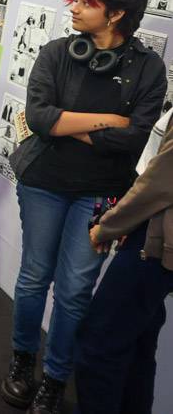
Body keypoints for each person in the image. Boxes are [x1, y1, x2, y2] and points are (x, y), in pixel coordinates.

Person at [3, 0, 165, 414]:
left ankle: (56, 377)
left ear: (115, 15)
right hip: (43, 182)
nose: (73, 8)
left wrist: (65, 123)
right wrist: (109, 121)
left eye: (85, 2)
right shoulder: (57, 53)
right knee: (34, 276)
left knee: (75, 290)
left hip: (101, 192)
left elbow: (134, 139)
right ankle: (22, 359)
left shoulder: (149, 68)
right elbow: (39, 118)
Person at [76, 107, 173, 413]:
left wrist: (109, 226)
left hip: (153, 243)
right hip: (153, 234)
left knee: (100, 345)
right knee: (136, 346)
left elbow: (159, 183)